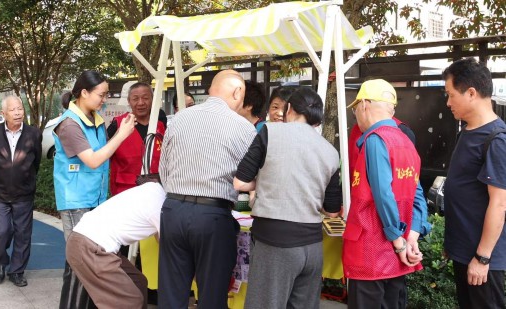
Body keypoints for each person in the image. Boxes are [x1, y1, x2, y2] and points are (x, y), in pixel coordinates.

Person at [234, 87, 342, 309]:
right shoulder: (330, 151)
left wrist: (267, 182)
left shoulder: (270, 133)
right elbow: (331, 210)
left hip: (275, 243)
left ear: (289, 109)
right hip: (312, 247)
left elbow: (240, 182)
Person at [158, 69, 257, 308]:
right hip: (213, 216)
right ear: (237, 92)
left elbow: (164, 171)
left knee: (171, 294)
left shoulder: (179, 118)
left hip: (172, 210)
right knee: (212, 295)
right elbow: (250, 183)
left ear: (212, 90)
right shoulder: (244, 129)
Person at [342, 79, 430, 308]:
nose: (356, 116)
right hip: (395, 257)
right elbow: (417, 192)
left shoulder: (375, 139)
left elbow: (383, 194)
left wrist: (397, 240)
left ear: (364, 105)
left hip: (372, 252)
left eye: (355, 110)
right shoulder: (405, 140)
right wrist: (412, 235)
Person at [53, 70, 136, 309]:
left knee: (90, 262)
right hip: (76, 202)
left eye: (106, 94)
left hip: (95, 200)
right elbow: (92, 160)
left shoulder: (96, 120)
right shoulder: (69, 124)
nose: (104, 99)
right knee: (79, 263)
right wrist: (121, 136)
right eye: (101, 94)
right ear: (84, 93)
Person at [442, 58, 506, 309]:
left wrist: (482, 256)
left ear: (471, 93)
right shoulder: (467, 132)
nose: (447, 103)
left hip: (482, 259)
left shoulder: (496, 139)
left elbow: (499, 204)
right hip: (463, 251)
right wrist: (453, 243)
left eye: (450, 95)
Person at [66, 182, 166, 309]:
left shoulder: (153, 188)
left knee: (138, 283)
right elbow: (170, 247)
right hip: (91, 248)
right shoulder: (160, 205)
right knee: (129, 300)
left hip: (90, 244)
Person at [0, 95, 42, 287]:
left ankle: (17, 271)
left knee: (23, 234)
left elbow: (36, 162)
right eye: (13, 109)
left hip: (24, 193)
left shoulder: (34, 133)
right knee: (2, 231)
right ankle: (0, 263)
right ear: (3, 113)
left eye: (20, 108)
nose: (18, 113)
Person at [107, 82, 166, 196]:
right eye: (135, 99)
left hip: (156, 190)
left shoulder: (160, 126)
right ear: (129, 101)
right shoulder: (118, 124)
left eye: (145, 98)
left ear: (152, 100)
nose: (141, 103)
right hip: (126, 191)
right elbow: (104, 154)